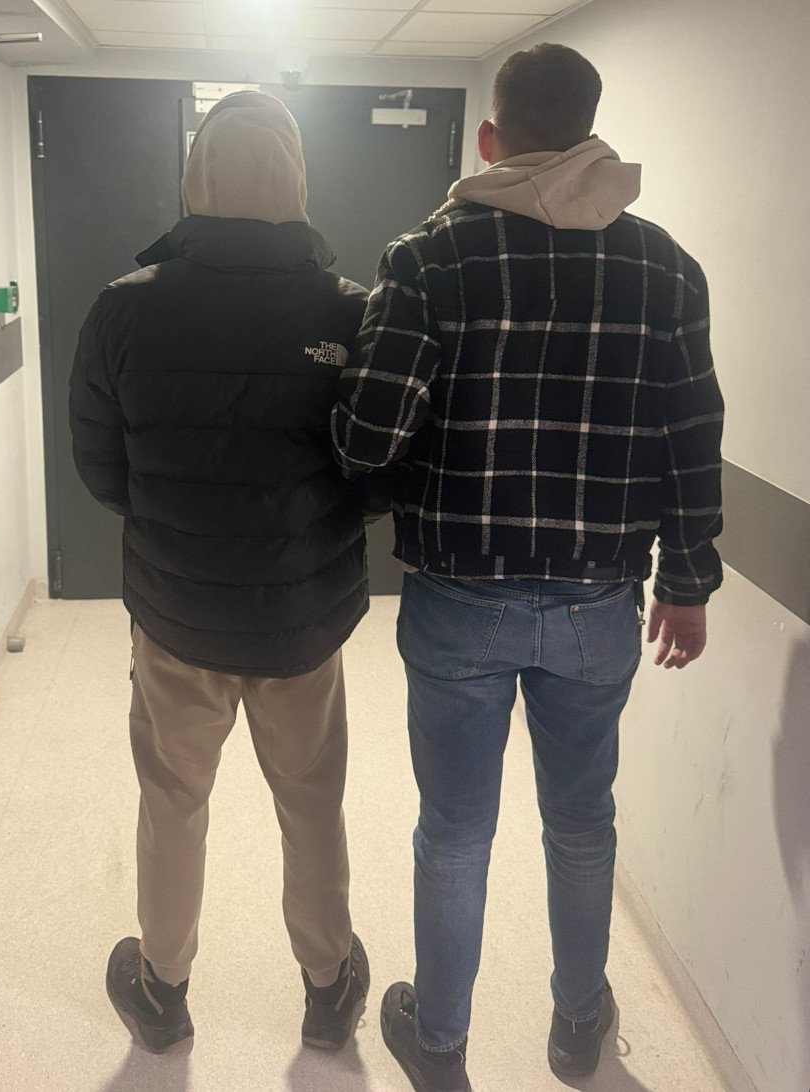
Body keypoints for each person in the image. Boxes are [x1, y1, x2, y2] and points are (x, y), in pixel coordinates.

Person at [332, 43, 724, 1092]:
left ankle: (440, 1044)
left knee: (456, 832)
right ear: (591, 132)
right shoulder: (667, 270)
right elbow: (692, 435)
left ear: (490, 138)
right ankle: (577, 1026)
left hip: (459, 598)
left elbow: (368, 438)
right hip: (599, 603)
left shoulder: (428, 259)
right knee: (582, 824)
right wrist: (687, 582)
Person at [69, 91, 372, 1057]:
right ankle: (328, 987)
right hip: (301, 622)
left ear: (193, 179)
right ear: (296, 180)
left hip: (177, 617)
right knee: (311, 804)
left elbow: (101, 470)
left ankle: (162, 989)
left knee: (173, 803)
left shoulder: (124, 306)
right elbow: (374, 474)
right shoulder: (350, 310)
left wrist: (176, 526)